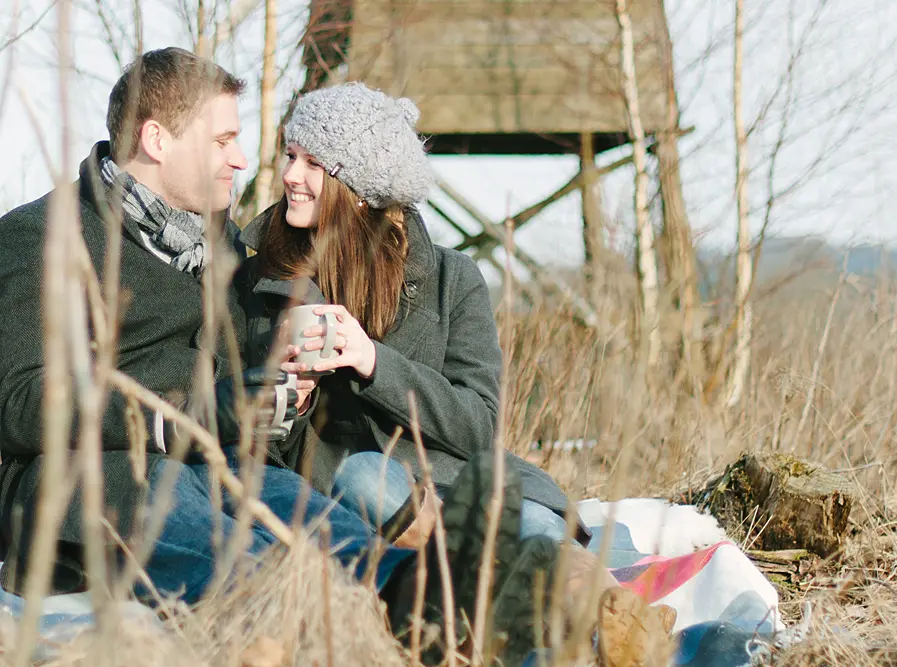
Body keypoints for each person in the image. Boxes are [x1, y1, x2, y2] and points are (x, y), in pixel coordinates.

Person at [0, 48, 570, 666]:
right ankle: (291, 607)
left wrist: (270, 397)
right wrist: (178, 415)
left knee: (294, 505)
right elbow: (20, 399)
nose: (244, 160)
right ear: (158, 140)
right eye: (223, 139)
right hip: (101, 468)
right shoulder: (43, 235)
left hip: (222, 463)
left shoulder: (219, 243)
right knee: (183, 513)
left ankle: (415, 592)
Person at [236, 82, 592, 550]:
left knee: (540, 534)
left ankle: (600, 607)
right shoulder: (263, 277)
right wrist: (293, 398)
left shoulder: (453, 279)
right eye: (290, 155)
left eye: (312, 163)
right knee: (366, 476)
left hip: (460, 480)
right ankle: (471, 578)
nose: (289, 175)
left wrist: (373, 362)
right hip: (353, 494)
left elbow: (479, 426)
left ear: (358, 188)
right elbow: (252, 448)